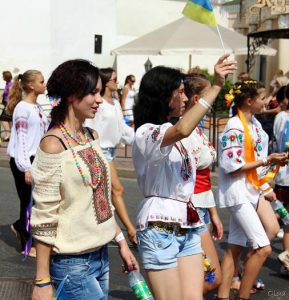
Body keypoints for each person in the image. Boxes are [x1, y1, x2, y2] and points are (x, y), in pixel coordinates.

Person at [30, 59, 139, 300]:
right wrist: (41, 281)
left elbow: (101, 199)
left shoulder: (91, 135)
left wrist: (120, 241)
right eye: (93, 92)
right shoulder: (53, 144)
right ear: (71, 95)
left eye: (99, 91)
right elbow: (44, 215)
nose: (100, 99)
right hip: (72, 265)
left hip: (100, 255)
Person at [132, 54, 236, 300]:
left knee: (199, 293)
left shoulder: (178, 132)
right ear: (164, 95)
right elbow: (182, 129)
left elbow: (195, 146)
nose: (187, 97)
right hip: (160, 227)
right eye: (180, 92)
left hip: (189, 223)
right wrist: (217, 86)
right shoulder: (145, 133)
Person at [217, 80, 288, 300]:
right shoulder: (234, 126)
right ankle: (243, 294)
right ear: (249, 101)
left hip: (252, 191)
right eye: (261, 97)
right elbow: (232, 167)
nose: (266, 101)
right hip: (238, 193)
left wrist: (272, 168)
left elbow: (256, 162)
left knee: (236, 247)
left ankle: (222, 295)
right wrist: (268, 159)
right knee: (265, 249)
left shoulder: (256, 125)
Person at [85, 67, 137, 244]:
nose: (117, 82)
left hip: (111, 151)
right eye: (114, 79)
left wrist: (140, 138)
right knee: (117, 190)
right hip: (100, 151)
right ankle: (130, 231)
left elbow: (122, 129)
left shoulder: (114, 102)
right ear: (106, 81)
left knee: (103, 194)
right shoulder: (99, 104)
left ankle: (107, 230)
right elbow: (90, 126)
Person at [184, 73, 223, 295]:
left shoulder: (198, 127)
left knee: (208, 276)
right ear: (197, 98)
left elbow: (205, 177)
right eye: (210, 93)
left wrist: (214, 213)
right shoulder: (183, 130)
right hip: (189, 210)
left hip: (202, 208)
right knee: (209, 277)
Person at [7, 70, 48, 257]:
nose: (44, 84)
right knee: (27, 202)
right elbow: (22, 139)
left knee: (36, 201)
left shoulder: (38, 107)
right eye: (42, 81)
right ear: (31, 85)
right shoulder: (22, 109)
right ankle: (26, 242)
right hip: (23, 160)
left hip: (37, 159)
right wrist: (26, 167)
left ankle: (20, 226)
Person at [272, 84, 289, 276]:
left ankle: (287, 258)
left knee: (287, 219)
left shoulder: (280, 117)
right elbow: (285, 143)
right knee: (285, 217)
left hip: (283, 176)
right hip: (285, 176)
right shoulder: (284, 118)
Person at [0, 71, 13, 141]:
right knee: (5, 118)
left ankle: (8, 134)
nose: (2, 77)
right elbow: (5, 93)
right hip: (6, 103)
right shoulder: (7, 83)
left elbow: (11, 94)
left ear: (5, 77)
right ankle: (8, 134)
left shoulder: (10, 84)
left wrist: (8, 104)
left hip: (8, 104)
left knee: (3, 118)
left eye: (3, 76)